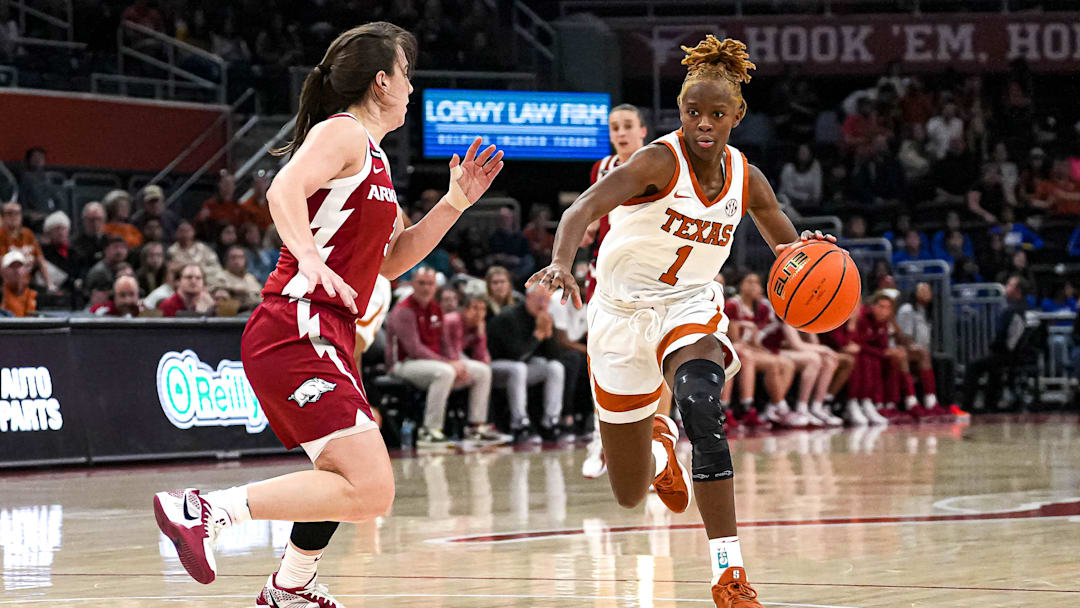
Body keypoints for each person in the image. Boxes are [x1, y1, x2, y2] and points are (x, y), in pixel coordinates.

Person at [152, 22, 504, 607]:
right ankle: (205, 511)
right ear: (382, 81)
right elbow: (282, 189)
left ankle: (289, 587)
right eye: (407, 75)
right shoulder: (342, 134)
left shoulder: (377, 160)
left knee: (343, 476)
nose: (413, 89)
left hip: (324, 332)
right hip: (297, 324)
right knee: (372, 488)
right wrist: (310, 258)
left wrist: (455, 203)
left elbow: (392, 261)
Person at [527, 35, 839, 606]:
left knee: (702, 404)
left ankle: (729, 570)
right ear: (680, 111)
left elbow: (787, 250)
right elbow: (581, 208)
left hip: (689, 306)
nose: (703, 123)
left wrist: (808, 255)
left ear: (737, 115)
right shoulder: (656, 161)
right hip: (619, 315)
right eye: (693, 112)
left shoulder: (748, 178)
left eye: (716, 114)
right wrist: (560, 262)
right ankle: (656, 447)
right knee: (625, 493)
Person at [582, 102, 651, 480]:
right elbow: (594, 215)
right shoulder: (602, 169)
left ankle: (657, 449)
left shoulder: (660, 165)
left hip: (647, 276)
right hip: (606, 275)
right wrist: (587, 228)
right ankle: (601, 441)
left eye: (627, 126)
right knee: (601, 358)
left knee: (653, 362)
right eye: (614, 128)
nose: (620, 133)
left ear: (643, 130)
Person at [386, 267, 494, 446]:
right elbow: (414, 349)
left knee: (482, 371)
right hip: (402, 364)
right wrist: (450, 363)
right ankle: (430, 431)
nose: (426, 288)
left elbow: (445, 343)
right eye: (421, 283)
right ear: (413, 284)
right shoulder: (404, 310)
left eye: (430, 284)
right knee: (445, 372)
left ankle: (475, 427)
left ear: (436, 286)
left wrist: (457, 363)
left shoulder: (435, 308)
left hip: (433, 363)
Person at [487, 285, 566, 443]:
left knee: (555, 368)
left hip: (520, 368)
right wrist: (537, 335)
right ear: (528, 298)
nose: (543, 305)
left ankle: (551, 421)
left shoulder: (543, 317)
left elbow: (554, 356)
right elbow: (516, 355)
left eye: (547, 300)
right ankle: (520, 424)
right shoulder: (509, 317)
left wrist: (548, 333)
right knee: (519, 368)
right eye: (540, 299)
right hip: (495, 367)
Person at [723, 272, 795, 429]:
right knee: (751, 357)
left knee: (784, 362)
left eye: (756, 282)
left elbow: (755, 342)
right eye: (749, 282)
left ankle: (775, 406)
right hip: (733, 348)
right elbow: (735, 340)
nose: (753, 286)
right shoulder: (733, 305)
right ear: (741, 285)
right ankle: (747, 408)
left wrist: (763, 350)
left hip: (748, 349)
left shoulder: (760, 307)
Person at [960, 275, 1029, 411]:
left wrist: (997, 347)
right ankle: (989, 403)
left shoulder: (1015, 310)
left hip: (1008, 355)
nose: (1006, 287)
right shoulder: (1015, 308)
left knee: (974, 366)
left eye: (1009, 284)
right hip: (1005, 354)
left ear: (1017, 291)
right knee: (990, 364)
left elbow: (1011, 341)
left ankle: (966, 406)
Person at [0, 200, 50, 289]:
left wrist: (49, 284)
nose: (14, 217)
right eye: (9, 213)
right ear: (3, 217)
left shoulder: (28, 234)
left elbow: (40, 260)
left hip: (29, 283)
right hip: (7, 285)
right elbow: (2, 267)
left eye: (17, 213)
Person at [214, 245, 263, 311]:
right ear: (227, 260)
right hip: (233, 315)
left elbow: (261, 299)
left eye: (240, 257)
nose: (237, 261)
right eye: (233, 258)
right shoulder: (220, 277)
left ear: (245, 260)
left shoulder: (251, 278)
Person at [0, 250, 36, 317]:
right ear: (2, 271)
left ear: (26, 269)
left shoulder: (36, 293)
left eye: (19, 266)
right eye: (11, 266)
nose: (16, 270)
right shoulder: (1, 294)